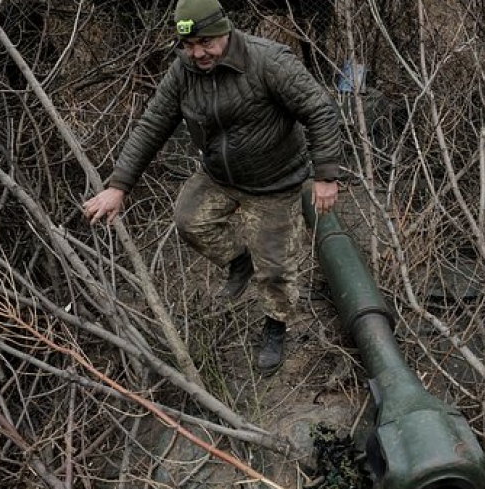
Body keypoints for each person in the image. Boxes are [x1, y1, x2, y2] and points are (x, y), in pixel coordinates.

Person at [82, 0, 342, 376]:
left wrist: (326, 176)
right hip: (219, 176)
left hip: (274, 182)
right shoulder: (184, 71)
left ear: (225, 31)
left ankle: (275, 326)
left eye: (206, 42)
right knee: (189, 220)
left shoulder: (268, 61)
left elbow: (320, 110)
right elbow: (153, 124)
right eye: (189, 45)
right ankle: (239, 261)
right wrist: (119, 186)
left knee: (276, 271)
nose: (198, 53)